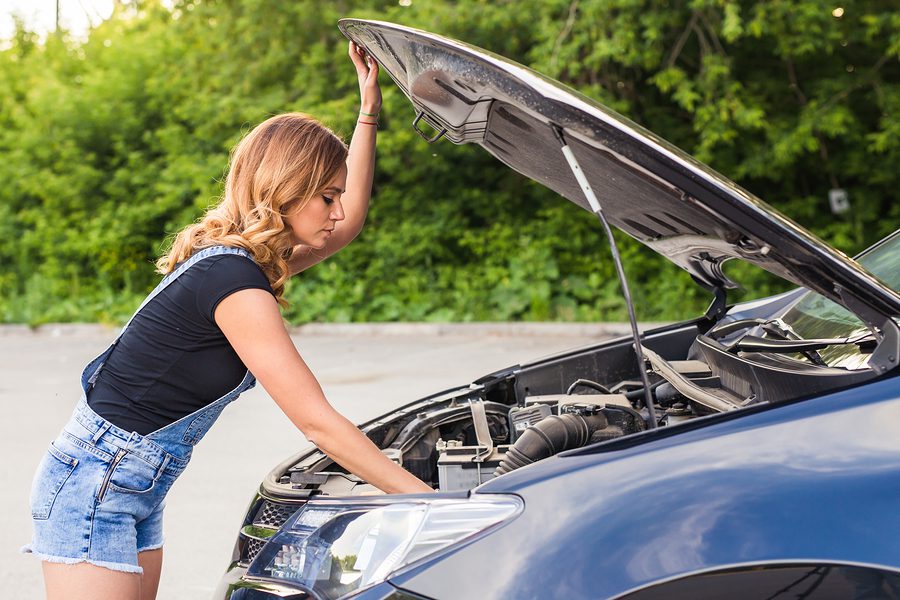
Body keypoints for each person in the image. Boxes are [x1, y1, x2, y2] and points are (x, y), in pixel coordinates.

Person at [23, 42, 432, 600]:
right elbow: (317, 423)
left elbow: (352, 220)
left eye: (337, 194)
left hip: (132, 486)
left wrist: (368, 112)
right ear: (284, 191)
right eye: (325, 196)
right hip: (96, 484)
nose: (337, 211)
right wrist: (427, 504)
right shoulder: (234, 283)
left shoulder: (245, 261)